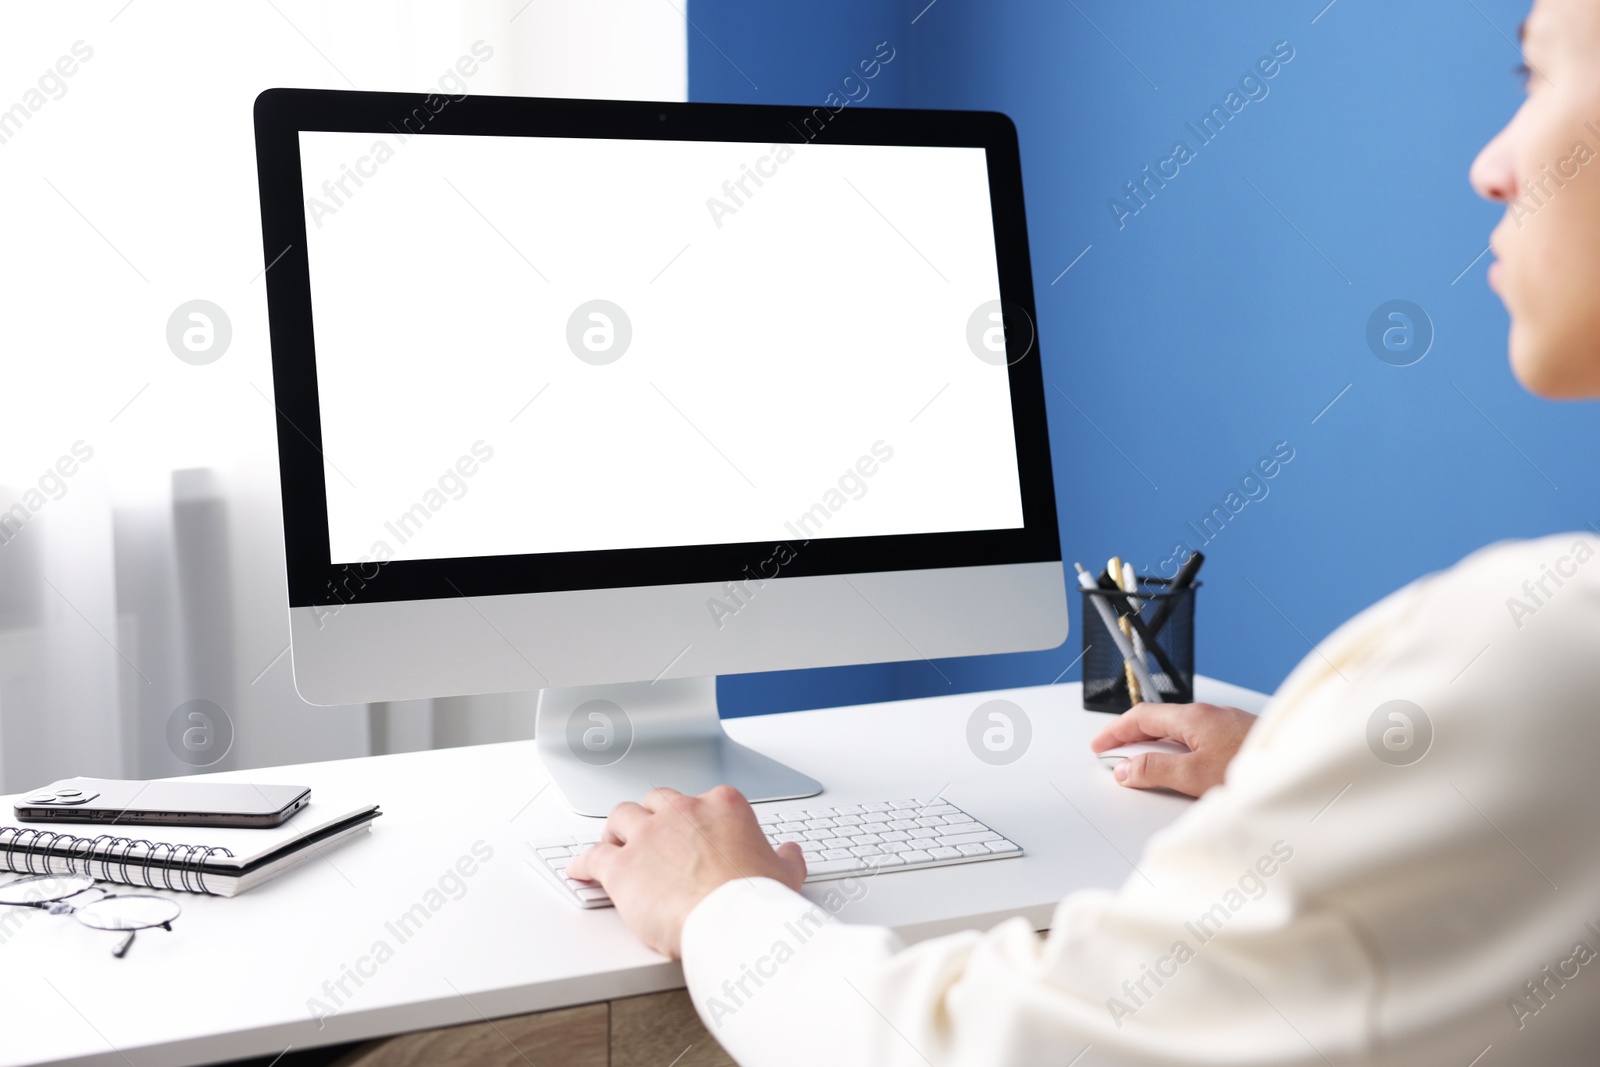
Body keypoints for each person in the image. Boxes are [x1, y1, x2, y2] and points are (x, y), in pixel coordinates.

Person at [567, 1, 1600, 1061]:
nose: (1489, 164)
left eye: (1534, 79)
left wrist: (718, 903)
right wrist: (1346, 790)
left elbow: (990, 1045)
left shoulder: (1550, 645)